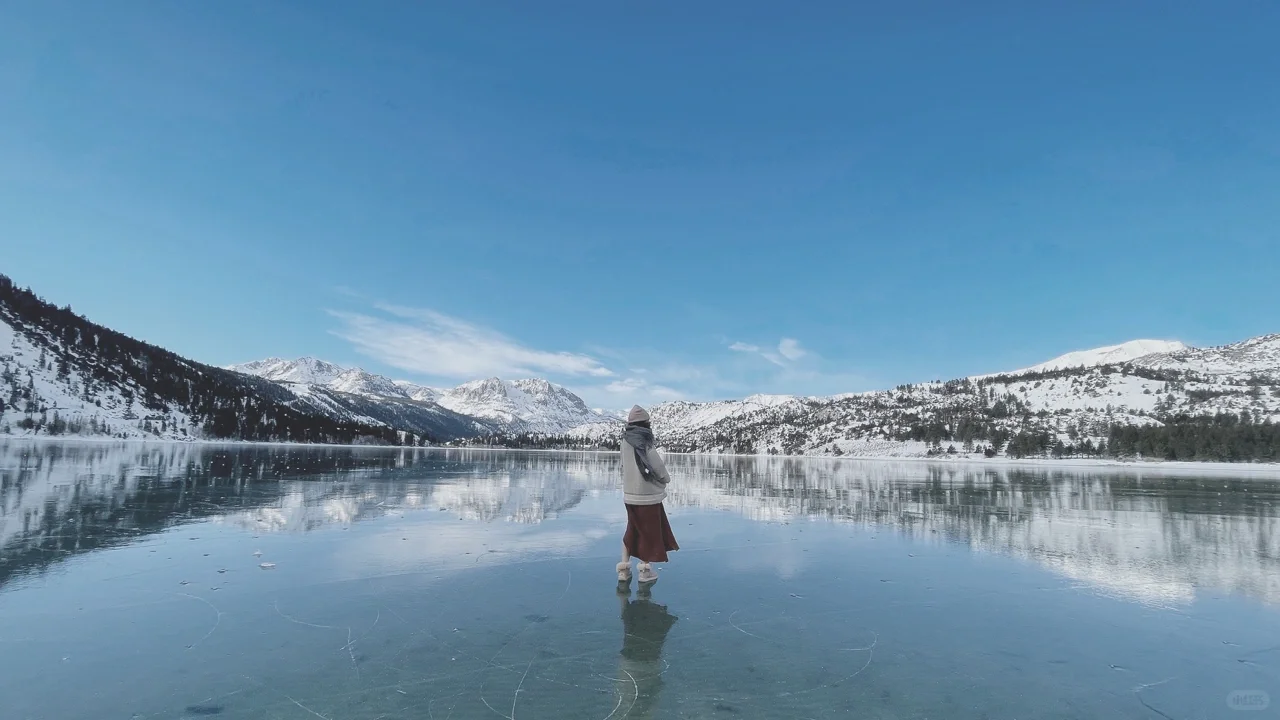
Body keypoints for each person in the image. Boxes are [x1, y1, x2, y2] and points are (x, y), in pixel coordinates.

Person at [617, 405, 678, 585]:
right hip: (647, 497)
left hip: (629, 495)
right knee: (649, 533)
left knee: (632, 529)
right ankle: (645, 572)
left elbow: (624, 466)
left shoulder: (624, 442)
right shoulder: (644, 441)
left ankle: (624, 569)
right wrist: (665, 478)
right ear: (645, 424)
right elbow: (656, 465)